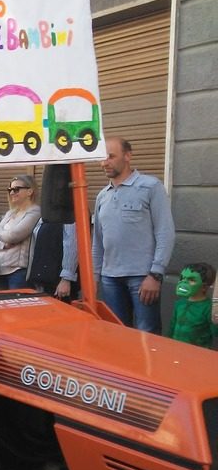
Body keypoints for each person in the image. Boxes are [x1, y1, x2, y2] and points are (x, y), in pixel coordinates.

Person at [92, 138, 175, 334]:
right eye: (102, 158)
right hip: (110, 279)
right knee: (117, 335)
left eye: (111, 157)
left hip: (142, 278)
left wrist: (155, 274)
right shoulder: (102, 195)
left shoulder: (150, 187)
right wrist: (93, 279)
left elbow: (165, 232)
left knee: (147, 335)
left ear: (128, 156)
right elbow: (97, 242)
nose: (104, 162)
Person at [0, 175, 41, 290]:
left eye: (16, 189)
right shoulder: (11, 213)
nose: (12, 193)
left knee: (16, 306)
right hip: (0, 269)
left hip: (18, 271)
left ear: (30, 191)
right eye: (10, 190)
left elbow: (13, 236)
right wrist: (3, 244)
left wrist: (1, 233)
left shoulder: (34, 212)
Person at [167, 263, 218, 348]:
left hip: (197, 353)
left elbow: (215, 332)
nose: (184, 282)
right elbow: (172, 327)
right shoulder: (179, 303)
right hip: (175, 348)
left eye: (191, 279)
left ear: (204, 287)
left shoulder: (208, 308)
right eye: (182, 278)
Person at [26, 220, 79, 301]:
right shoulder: (47, 215)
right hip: (41, 280)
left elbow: (72, 245)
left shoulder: (68, 216)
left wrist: (66, 279)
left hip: (58, 283)